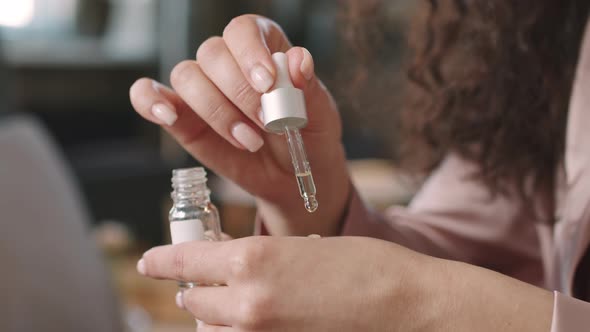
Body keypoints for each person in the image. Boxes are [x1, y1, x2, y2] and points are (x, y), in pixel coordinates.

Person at [129, 1, 590, 331]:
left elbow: (419, 288)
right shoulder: (553, 32)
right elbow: (468, 245)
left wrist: (416, 301)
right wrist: (315, 203)